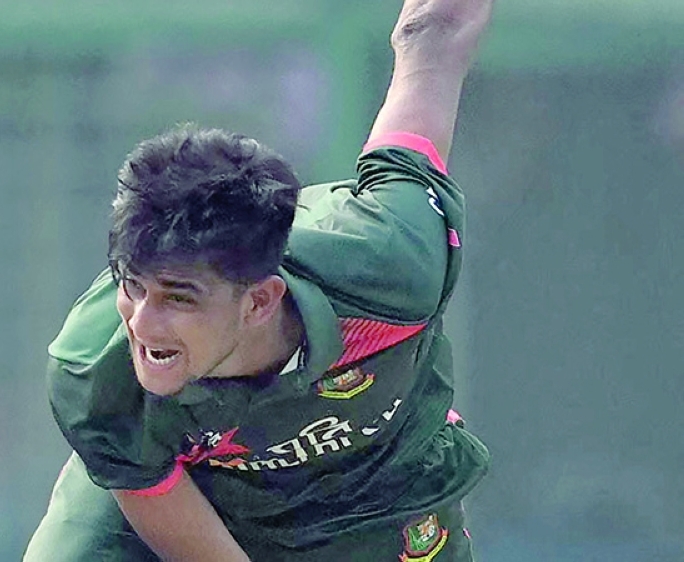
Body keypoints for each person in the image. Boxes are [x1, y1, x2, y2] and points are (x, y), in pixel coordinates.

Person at [25, 0, 493, 559]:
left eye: (179, 297)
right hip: (193, 502)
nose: (142, 323)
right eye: (134, 285)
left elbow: (431, 44)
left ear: (260, 301)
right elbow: (155, 492)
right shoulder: (98, 364)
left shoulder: (390, 266)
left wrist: (430, 25)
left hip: (378, 499)